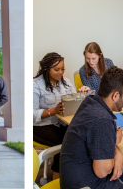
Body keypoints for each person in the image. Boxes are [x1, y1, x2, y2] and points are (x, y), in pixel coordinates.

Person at [60, 66, 123, 189]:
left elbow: (97, 139)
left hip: (73, 175)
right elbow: (102, 172)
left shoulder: (91, 101)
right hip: (85, 184)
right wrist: (115, 147)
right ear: (115, 96)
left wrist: (116, 149)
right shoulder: (102, 119)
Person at [32, 52, 78, 180]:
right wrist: (53, 111)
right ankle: (57, 179)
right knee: (65, 142)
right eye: (56, 69)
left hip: (61, 123)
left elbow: (75, 100)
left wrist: (81, 95)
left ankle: (74, 174)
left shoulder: (66, 82)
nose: (61, 72)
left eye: (63, 69)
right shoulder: (36, 85)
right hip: (40, 126)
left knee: (79, 136)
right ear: (46, 69)